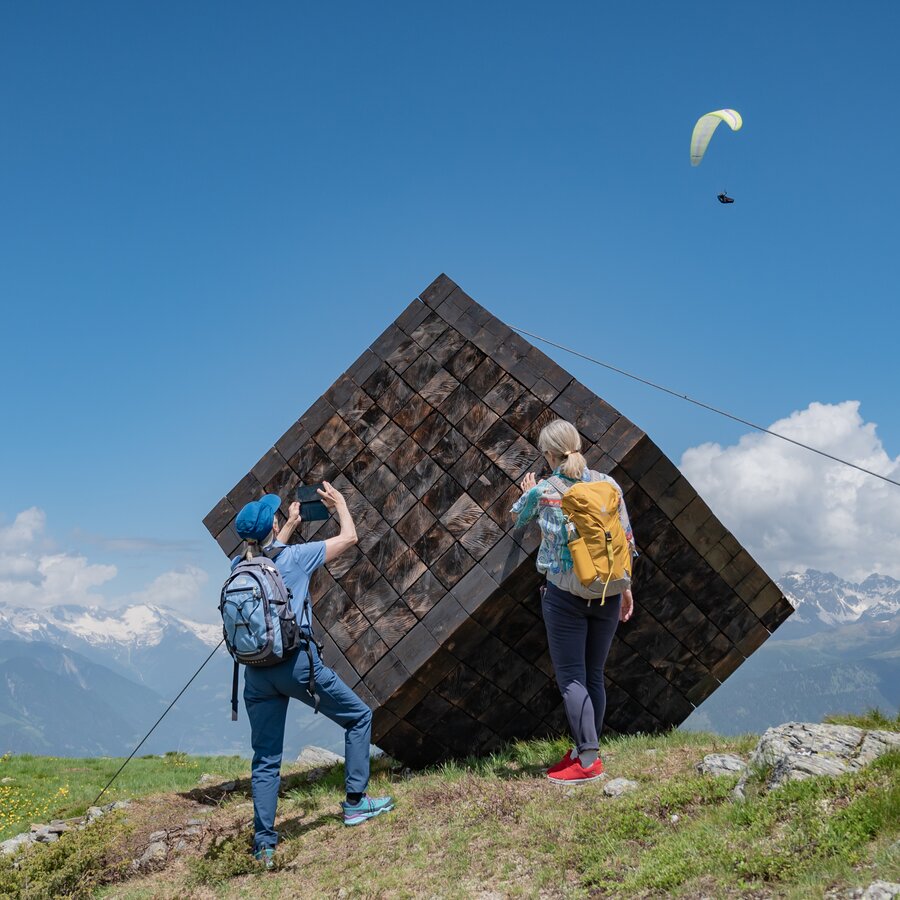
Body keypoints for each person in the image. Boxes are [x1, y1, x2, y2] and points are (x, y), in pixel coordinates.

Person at [233, 484, 394, 867]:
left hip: (255, 673)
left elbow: (268, 553)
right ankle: (355, 803)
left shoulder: (239, 568)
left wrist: (287, 523)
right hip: (296, 666)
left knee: (267, 758)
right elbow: (350, 537)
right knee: (358, 717)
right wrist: (339, 505)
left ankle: (264, 844)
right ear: (271, 524)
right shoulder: (299, 557)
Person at [510, 419, 635, 785]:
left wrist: (527, 490)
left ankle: (588, 761)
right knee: (594, 674)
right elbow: (625, 538)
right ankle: (586, 749)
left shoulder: (546, 490)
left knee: (572, 678)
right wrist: (626, 588)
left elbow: (517, 519)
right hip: (608, 590)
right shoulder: (608, 484)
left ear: (548, 454)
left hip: (564, 596)